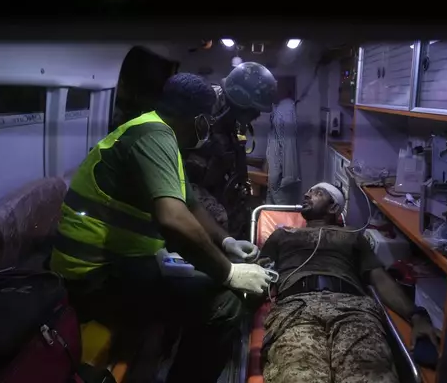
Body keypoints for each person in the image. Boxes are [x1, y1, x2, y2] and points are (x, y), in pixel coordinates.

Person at [49, 73, 270, 383]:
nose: (207, 128)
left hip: (125, 263)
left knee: (213, 278)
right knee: (229, 303)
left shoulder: (163, 137)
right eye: (206, 120)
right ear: (196, 118)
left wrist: (227, 243)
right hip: (93, 276)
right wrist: (229, 273)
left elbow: (191, 205)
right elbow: (173, 219)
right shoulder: (153, 137)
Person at [257, 182, 439, 383]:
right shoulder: (282, 235)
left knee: (368, 375)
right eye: (308, 192)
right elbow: (259, 272)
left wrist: (416, 316)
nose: (307, 195)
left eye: (317, 193)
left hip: (352, 310)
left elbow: (379, 278)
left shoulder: (352, 237)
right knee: (298, 375)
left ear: (334, 208)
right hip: (295, 308)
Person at [184, 62, 278, 240]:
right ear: (240, 101)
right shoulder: (205, 106)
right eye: (254, 110)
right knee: (219, 218)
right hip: (185, 180)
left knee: (240, 217)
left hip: (213, 179)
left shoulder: (231, 116)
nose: (257, 115)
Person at [266, 85, 301, 204]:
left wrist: (287, 177)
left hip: (281, 178)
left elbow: (288, 147)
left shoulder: (285, 110)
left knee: (281, 211)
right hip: (275, 175)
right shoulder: (279, 109)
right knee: (271, 210)